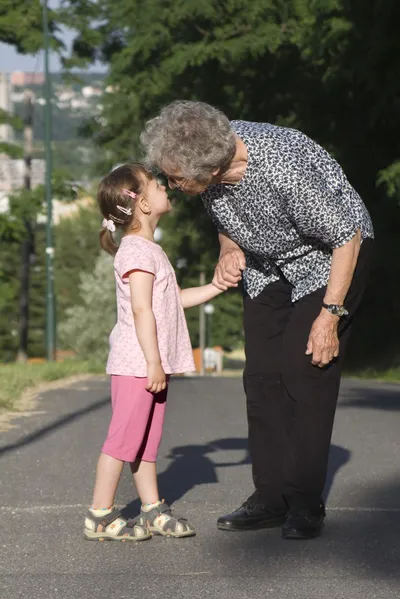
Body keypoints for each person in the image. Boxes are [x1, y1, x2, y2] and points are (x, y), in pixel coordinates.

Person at [140, 101, 374, 539]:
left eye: (175, 179)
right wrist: (229, 248)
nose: (169, 185)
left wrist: (330, 315)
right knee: (262, 377)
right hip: (268, 266)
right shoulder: (208, 169)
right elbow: (227, 219)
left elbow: (347, 235)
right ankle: (269, 498)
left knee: (303, 371)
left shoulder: (281, 164)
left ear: (208, 168)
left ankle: (304, 503)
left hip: (332, 262)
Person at [84, 163, 223, 542]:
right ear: (143, 204)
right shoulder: (137, 253)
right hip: (138, 364)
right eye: (157, 185)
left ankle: (150, 509)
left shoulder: (148, 250)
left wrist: (214, 286)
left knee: (145, 443)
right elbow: (142, 310)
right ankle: (100, 515)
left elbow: (171, 301)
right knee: (122, 441)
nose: (166, 188)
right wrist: (153, 362)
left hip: (146, 364)